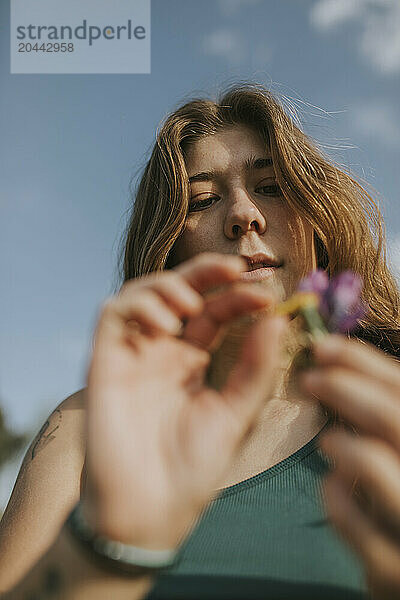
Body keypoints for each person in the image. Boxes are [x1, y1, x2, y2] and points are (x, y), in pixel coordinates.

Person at [1, 83, 400, 599]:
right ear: (170, 247)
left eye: (273, 186)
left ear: (316, 219)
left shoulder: (388, 411)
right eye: (204, 200)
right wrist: (108, 551)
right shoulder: (86, 429)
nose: (243, 215)